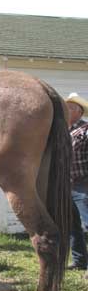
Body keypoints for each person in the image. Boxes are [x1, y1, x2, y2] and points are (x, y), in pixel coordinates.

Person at [65, 92, 88, 272]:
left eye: (71, 107)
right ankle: (80, 261)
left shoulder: (86, 130)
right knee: (73, 225)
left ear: (79, 111)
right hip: (67, 185)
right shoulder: (63, 131)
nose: (67, 109)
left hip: (84, 184)